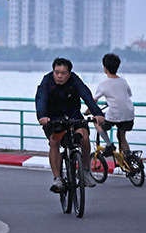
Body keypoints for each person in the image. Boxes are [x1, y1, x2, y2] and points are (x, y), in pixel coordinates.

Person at [36, 57, 105, 192]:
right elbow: (41, 98)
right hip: (54, 119)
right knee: (54, 143)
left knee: (84, 139)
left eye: (63, 73)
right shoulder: (47, 81)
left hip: (74, 117)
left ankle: (85, 171)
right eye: (56, 72)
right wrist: (42, 116)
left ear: (69, 73)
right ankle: (57, 179)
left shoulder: (75, 80)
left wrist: (97, 113)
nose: (59, 76)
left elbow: (86, 96)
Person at [93, 53, 135, 157]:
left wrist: (88, 110)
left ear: (105, 68)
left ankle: (109, 144)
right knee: (122, 137)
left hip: (115, 115)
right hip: (129, 114)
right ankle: (129, 162)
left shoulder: (103, 84)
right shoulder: (123, 81)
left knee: (96, 121)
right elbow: (128, 94)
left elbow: (94, 101)